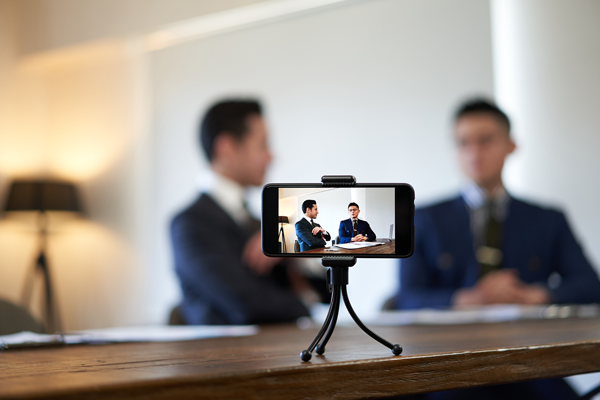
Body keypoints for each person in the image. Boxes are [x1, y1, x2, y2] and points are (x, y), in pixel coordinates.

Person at [395, 98, 600, 400]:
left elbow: (590, 285)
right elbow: (405, 296)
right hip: (449, 368)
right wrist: (466, 299)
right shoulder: (423, 218)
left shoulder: (547, 219)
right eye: (463, 143)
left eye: (486, 140)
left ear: (511, 145)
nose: (473, 153)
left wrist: (537, 296)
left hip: (529, 364)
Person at [171, 99, 318, 325]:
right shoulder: (190, 224)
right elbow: (247, 305)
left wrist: (296, 251)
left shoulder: (262, 224)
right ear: (227, 148)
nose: (271, 156)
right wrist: (305, 302)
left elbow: (328, 291)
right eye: (263, 145)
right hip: (224, 357)